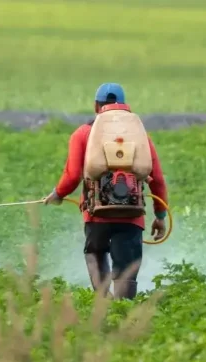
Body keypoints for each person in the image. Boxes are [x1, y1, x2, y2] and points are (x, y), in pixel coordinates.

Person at [42, 83, 168, 300]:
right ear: (124, 107)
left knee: (95, 252)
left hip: (96, 213)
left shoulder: (83, 134)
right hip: (132, 214)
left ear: (96, 106)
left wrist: (58, 194)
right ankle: (123, 311)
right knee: (126, 267)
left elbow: (72, 175)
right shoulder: (139, 137)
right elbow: (156, 179)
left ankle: (104, 303)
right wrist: (160, 216)